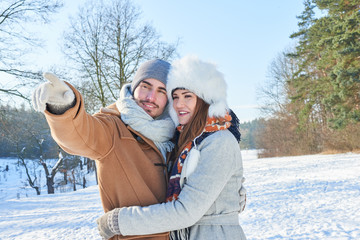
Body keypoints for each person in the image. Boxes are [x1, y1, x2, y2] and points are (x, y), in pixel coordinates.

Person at [97, 55, 247, 240]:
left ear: (204, 100)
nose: (178, 104)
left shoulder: (219, 141)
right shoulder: (185, 143)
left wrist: (119, 221)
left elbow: (185, 211)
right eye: (175, 97)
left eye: (188, 97)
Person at [32, 59, 176, 240]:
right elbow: (80, 135)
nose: (151, 97)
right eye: (146, 86)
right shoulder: (112, 127)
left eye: (161, 91)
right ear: (134, 87)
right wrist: (64, 109)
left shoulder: (176, 133)